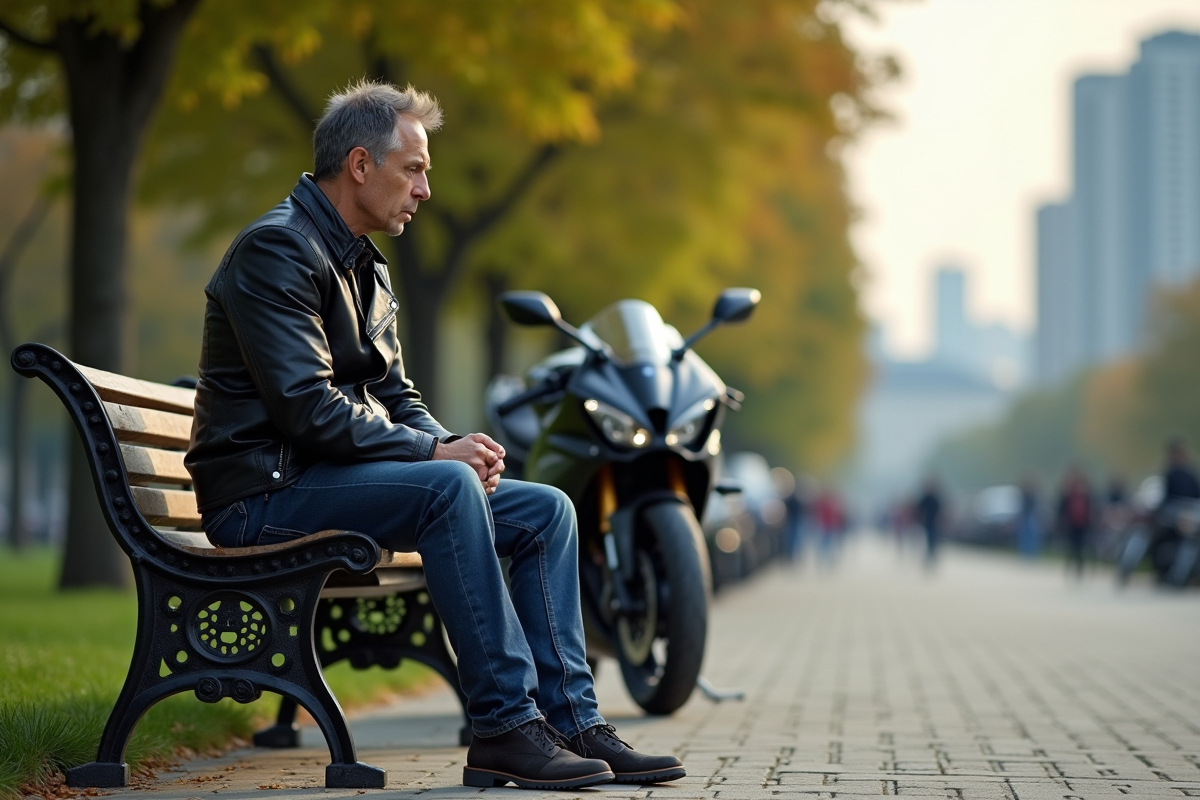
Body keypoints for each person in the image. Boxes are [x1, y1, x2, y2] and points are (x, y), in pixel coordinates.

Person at [184, 80, 684, 791]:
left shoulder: (363, 263)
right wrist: (433, 457)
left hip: (322, 479)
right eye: (413, 168)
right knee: (446, 487)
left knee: (546, 509)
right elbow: (306, 407)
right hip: (264, 494)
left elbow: (394, 394)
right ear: (360, 165)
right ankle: (507, 728)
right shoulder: (277, 251)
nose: (424, 189)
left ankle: (571, 718)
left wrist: (457, 445)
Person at [1056, 468, 1092, 579]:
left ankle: (1078, 571)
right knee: (1072, 549)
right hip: (1071, 525)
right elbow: (1061, 510)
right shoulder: (1068, 495)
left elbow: (1089, 510)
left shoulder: (1084, 495)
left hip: (1081, 525)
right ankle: (1071, 570)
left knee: (1079, 549)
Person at [914, 477, 942, 568]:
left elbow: (941, 511)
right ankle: (926, 557)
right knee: (925, 541)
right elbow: (918, 510)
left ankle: (931, 557)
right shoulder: (925, 498)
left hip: (934, 523)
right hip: (924, 523)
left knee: (932, 541)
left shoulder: (936, 499)